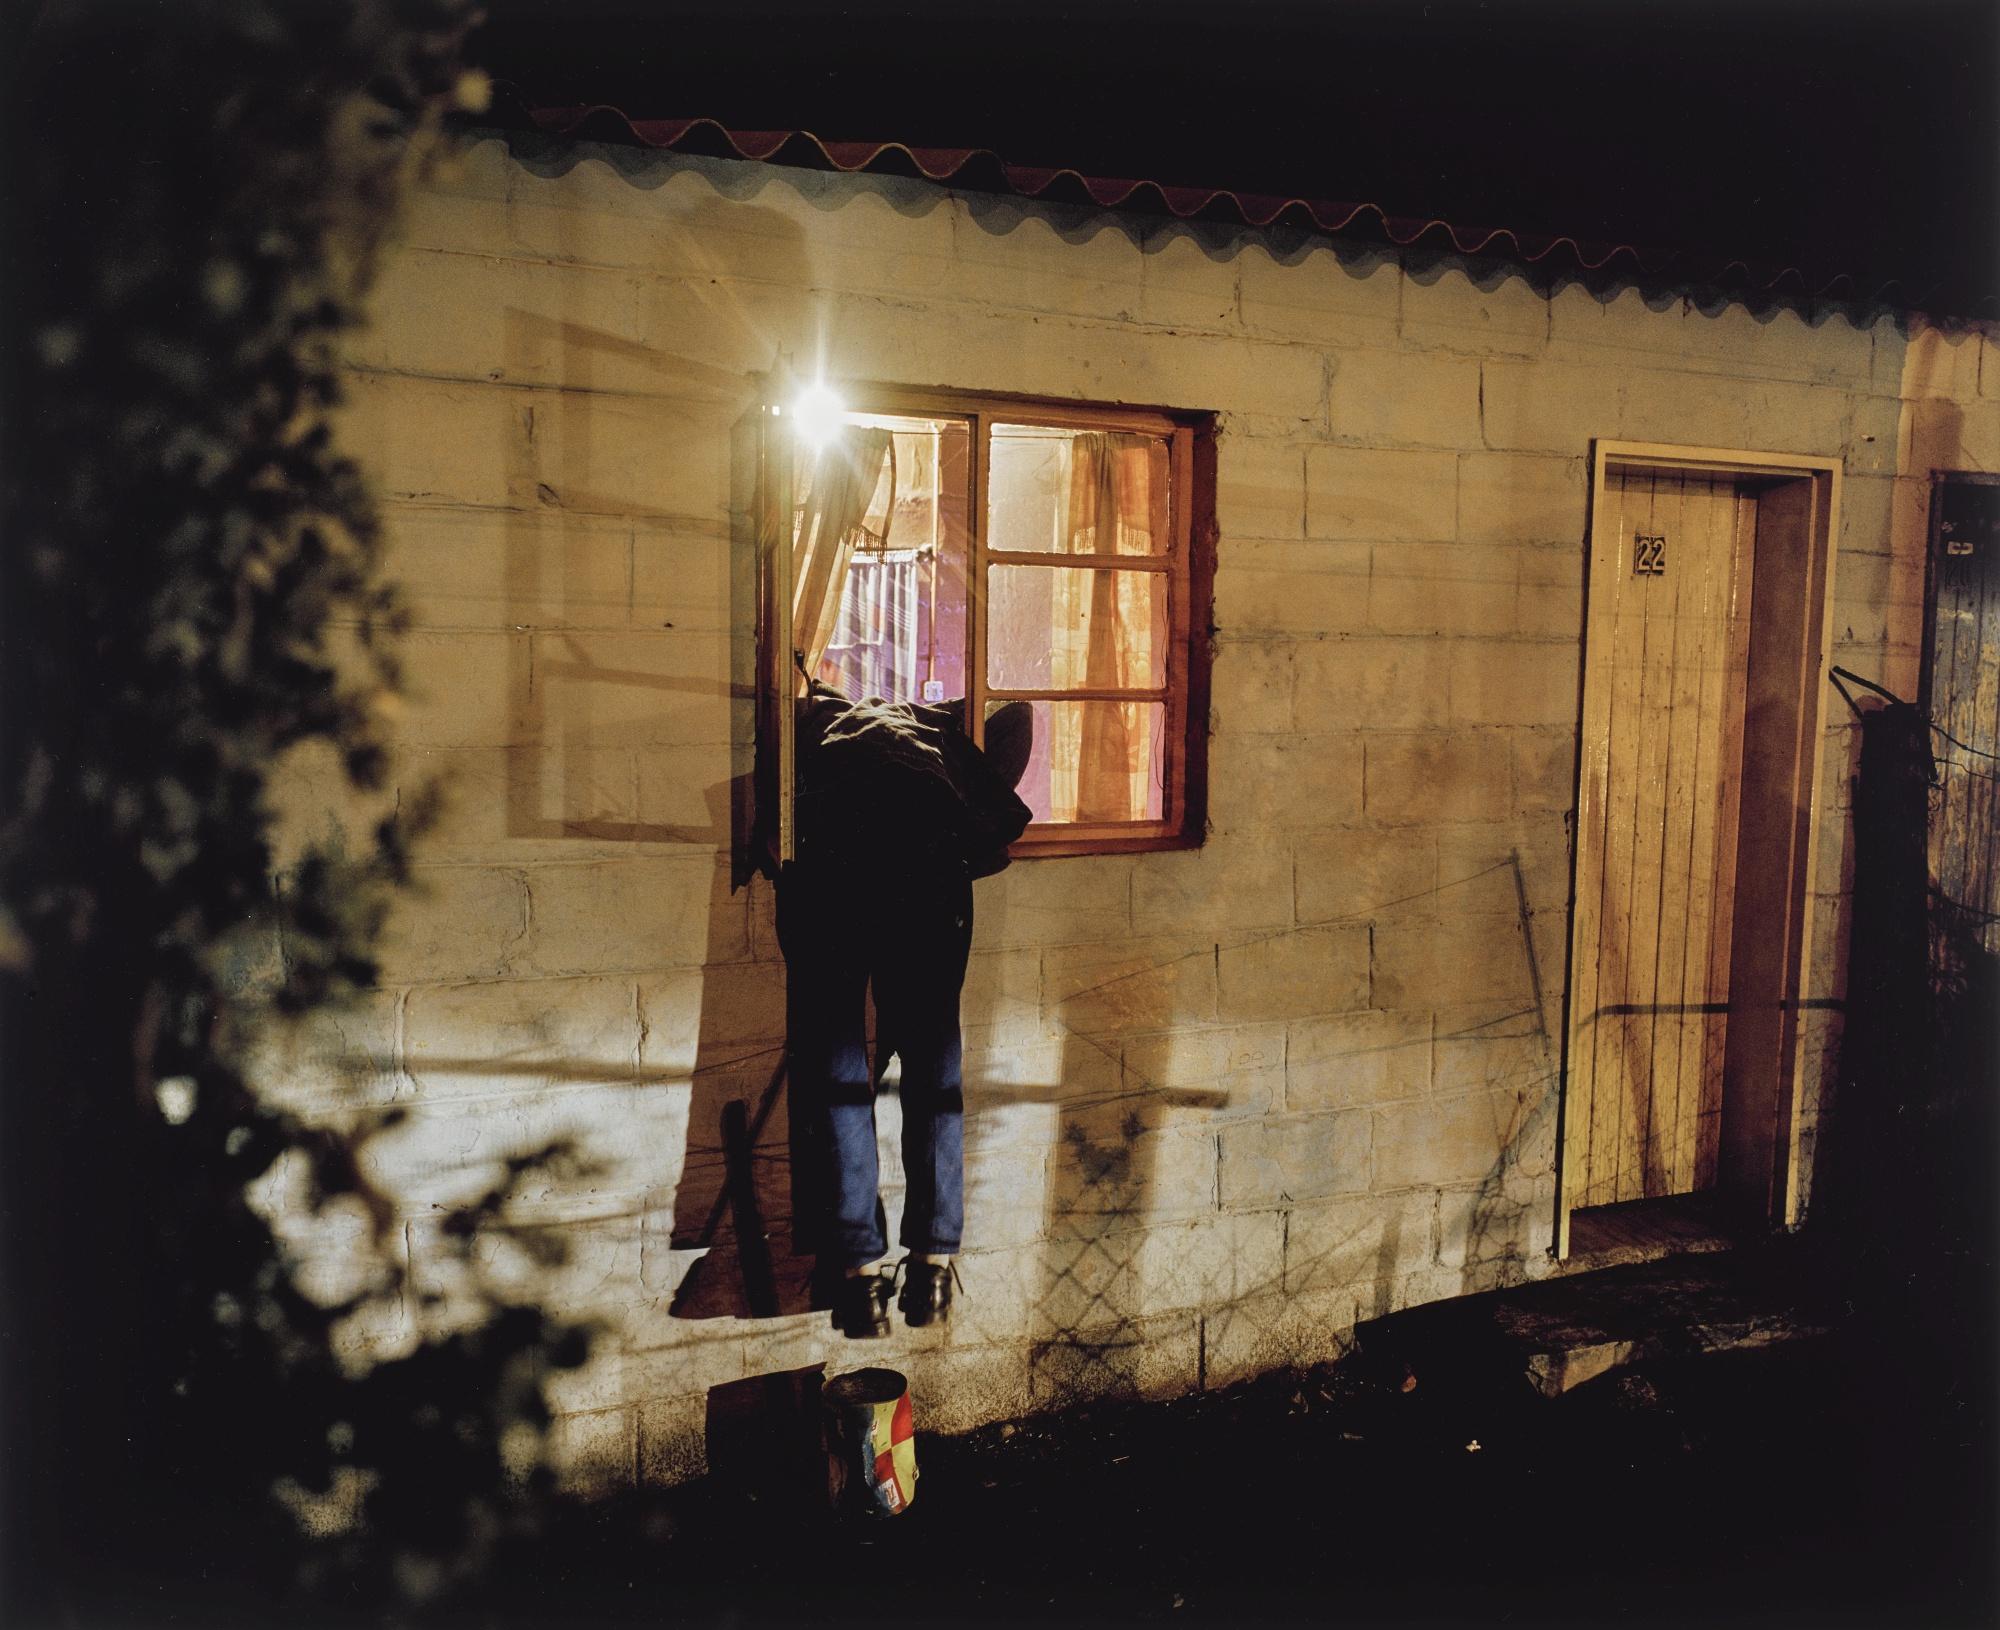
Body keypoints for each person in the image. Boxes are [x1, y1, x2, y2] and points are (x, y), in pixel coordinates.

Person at [777, 682, 1033, 1338]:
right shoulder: (936, 726)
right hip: (927, 866)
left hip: (834, 865)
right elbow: (1018, 720)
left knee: (837, 1073)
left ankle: (860, 1277)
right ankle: (933, 1272)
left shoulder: (812, 718)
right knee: (932, 1071)